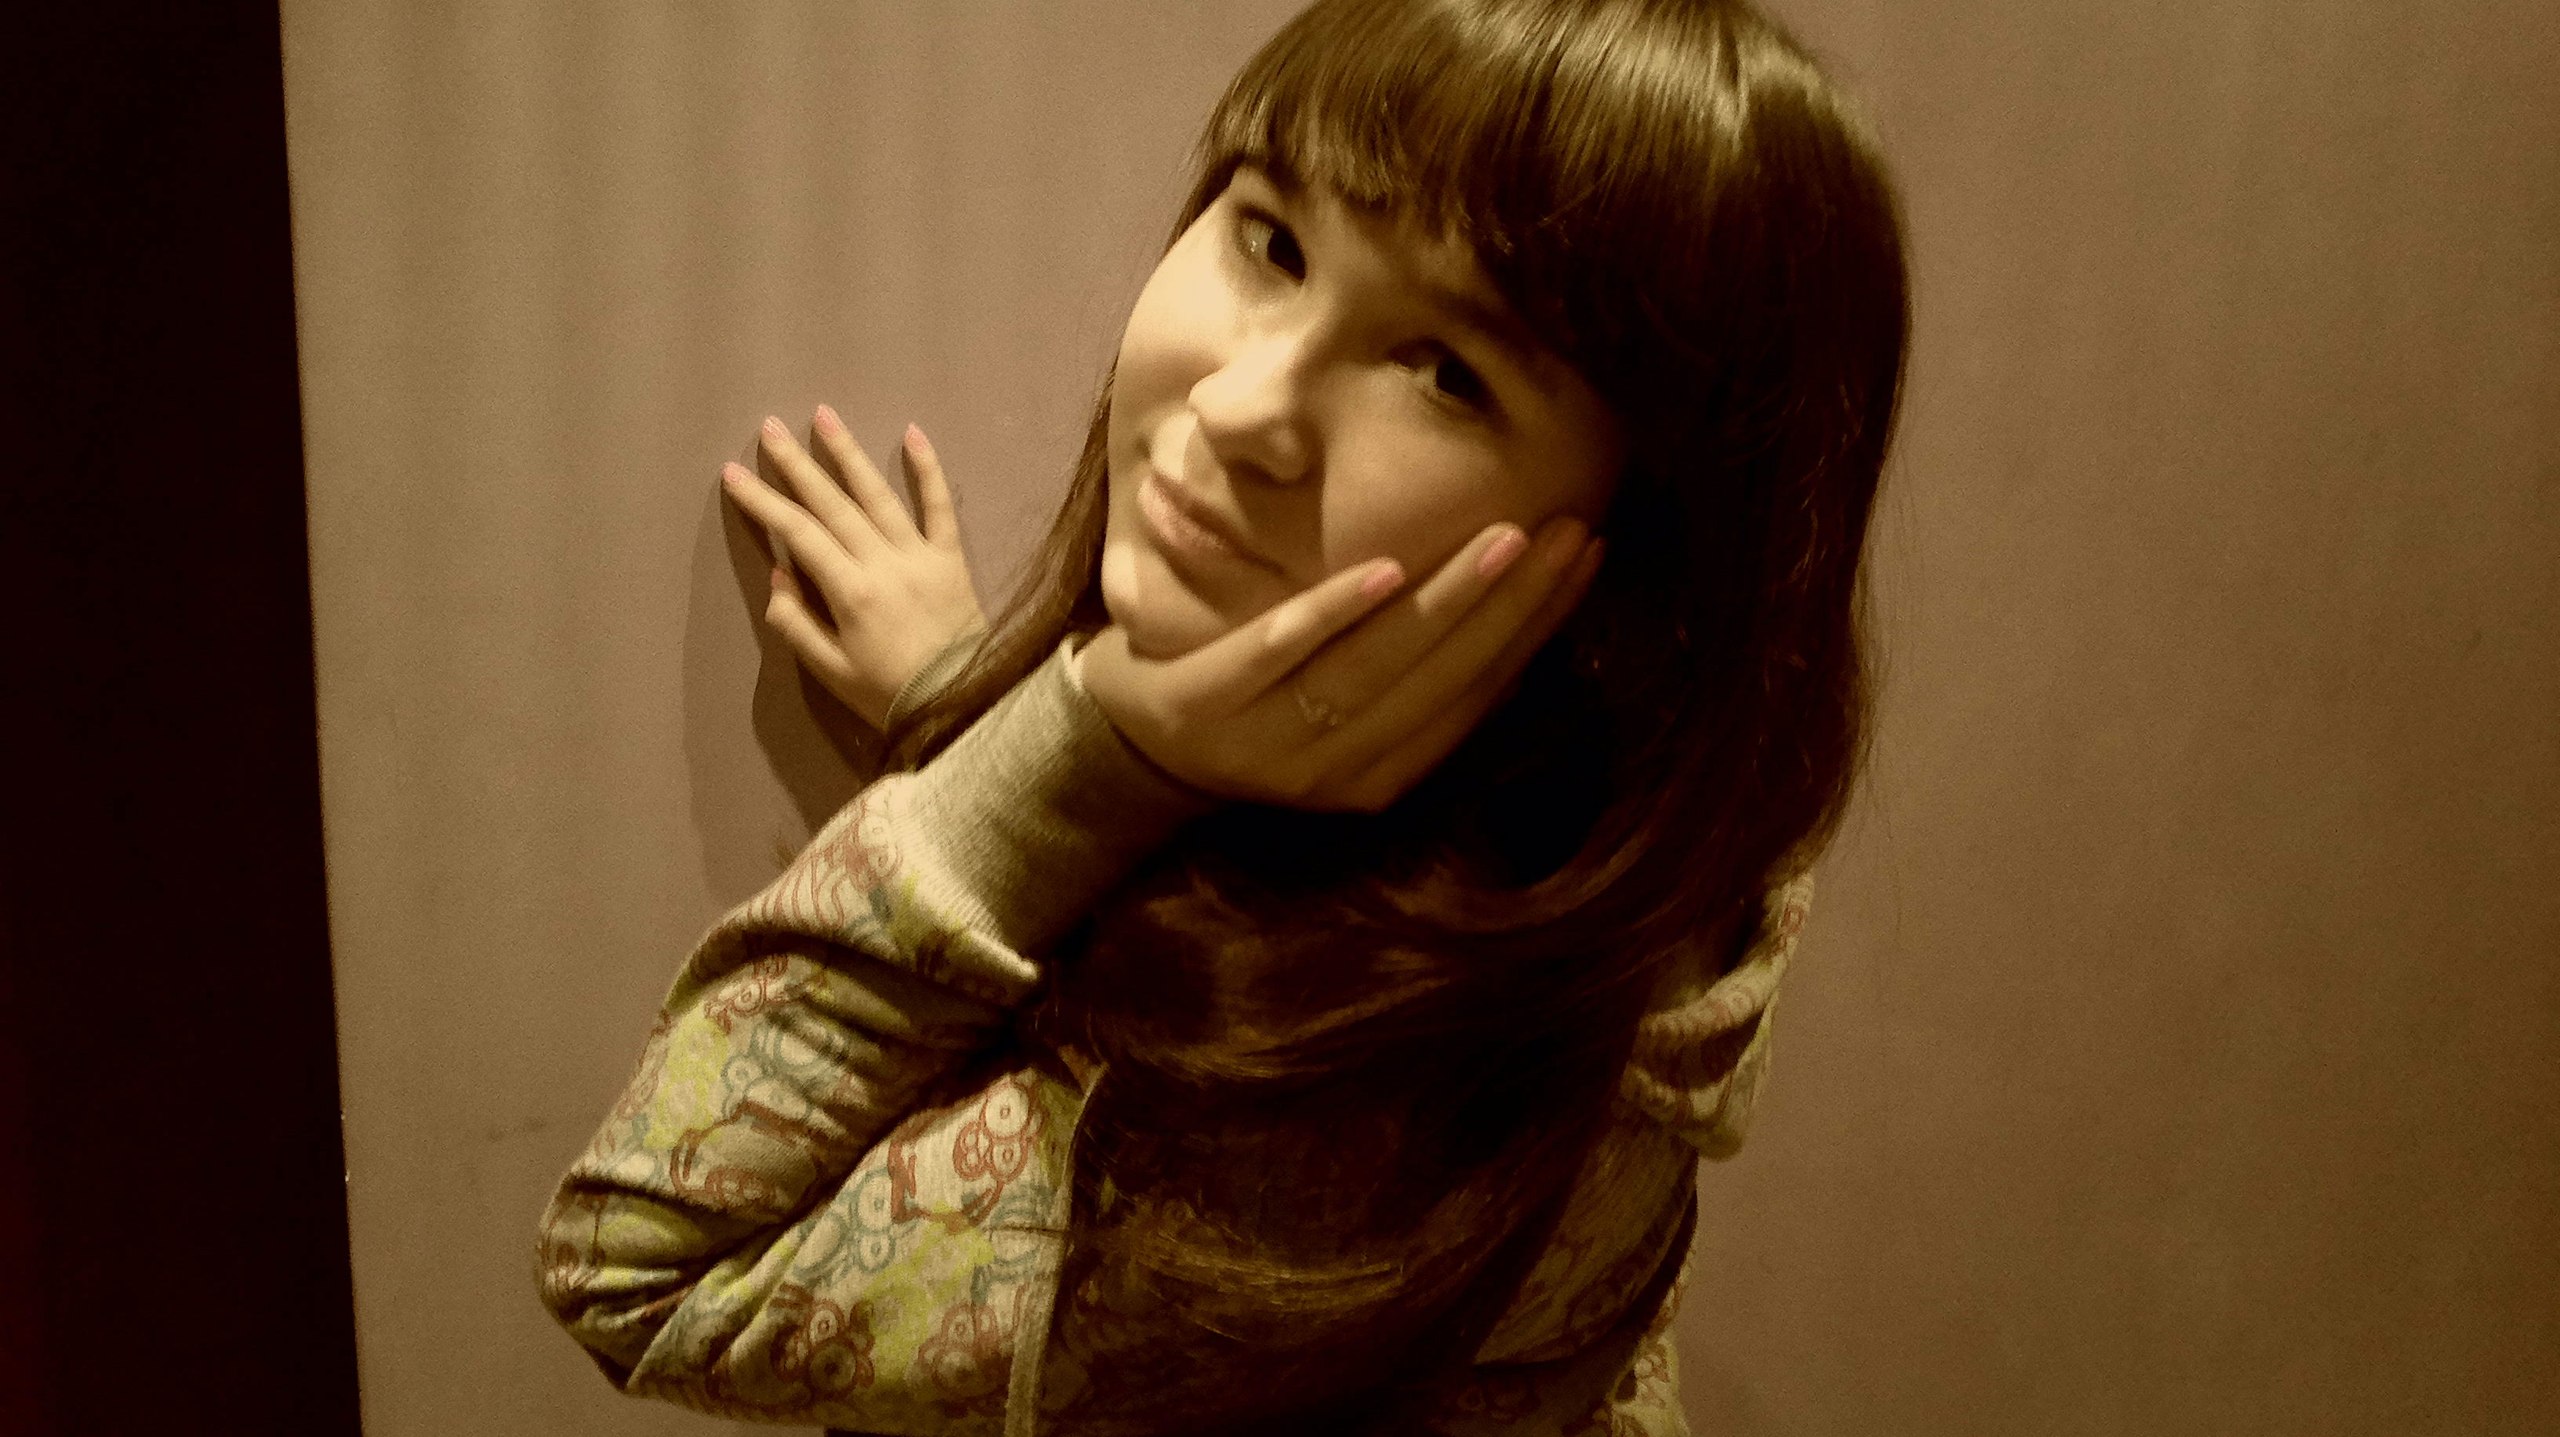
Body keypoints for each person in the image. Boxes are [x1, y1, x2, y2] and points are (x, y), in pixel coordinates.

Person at [536, 0, 1906, 1430]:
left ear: (1650, 567)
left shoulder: (1301, 1180)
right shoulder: (1626, 874)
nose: (1249, 402)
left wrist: (1082, 752)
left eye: (1449, 372)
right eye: (1274, 243)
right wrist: (969, 701)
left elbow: (635, 1263)